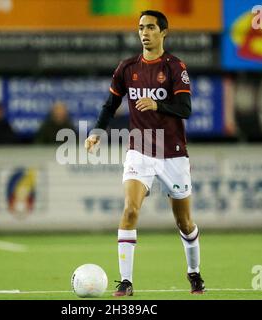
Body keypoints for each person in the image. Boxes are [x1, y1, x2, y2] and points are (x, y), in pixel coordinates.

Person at [84, 10, 205, 296]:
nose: (144, 32)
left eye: (150, 27)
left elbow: (185, 109)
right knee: (129, 210)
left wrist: (158, 105)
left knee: (184, 222)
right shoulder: (127, 68)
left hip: (173, 153)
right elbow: (110, 105)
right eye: (140, 28)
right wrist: (96, 132)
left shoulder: (175, 67)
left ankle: (194, 273)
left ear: (164, 32)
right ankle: (126, 282)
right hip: (140, 150)